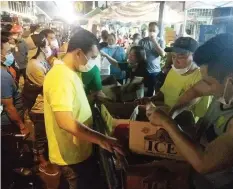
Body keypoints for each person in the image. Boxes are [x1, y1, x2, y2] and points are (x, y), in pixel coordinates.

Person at [147, 33, 233, 189]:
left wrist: (167, 123)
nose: (204, 85)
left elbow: (204, 163)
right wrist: (172, 113)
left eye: (208, 82)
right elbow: (194, 91)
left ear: (230, 81)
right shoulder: (225, 91)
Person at [43, 29, 124, 189]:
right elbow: (65, 122)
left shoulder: (71, 72)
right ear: (79, 52)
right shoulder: (61, 77)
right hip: (70, 158)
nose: (93, 62)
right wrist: (102, 139)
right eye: (92, 57)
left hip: (79, 151)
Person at [138, 37, 211, 120]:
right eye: (173, 56)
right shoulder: (173, 71)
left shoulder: (202, 78)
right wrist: (151, 99)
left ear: (194, 57)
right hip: (166, 116)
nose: (175, 61)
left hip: (184, 123)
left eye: (181, 57)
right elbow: (164, 92)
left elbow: (195, 114)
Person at [1, 35, 29, 135]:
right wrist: (21, 125)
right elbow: (9, 107)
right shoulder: (2, 76)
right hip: (7, 124)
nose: (10, 55)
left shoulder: (6, 68)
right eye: (8, 52)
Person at [22, 33, 52, 111]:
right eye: (46, 45)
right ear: (41, 48)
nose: (48, 47)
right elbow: (47, 85)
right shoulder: (34, 65)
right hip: (37, 104)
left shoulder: (41, 59)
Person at [139, 22, 165, 96]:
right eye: (150, 30)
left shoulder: (160, 41)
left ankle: (148, 106)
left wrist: (154, 41)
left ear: (158, 31)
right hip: (143, 70)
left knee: (151, 92)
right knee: (142, 91)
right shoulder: (142, 41)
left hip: (155, 71)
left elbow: (162, 54)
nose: (152, 32)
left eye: (154, 30)